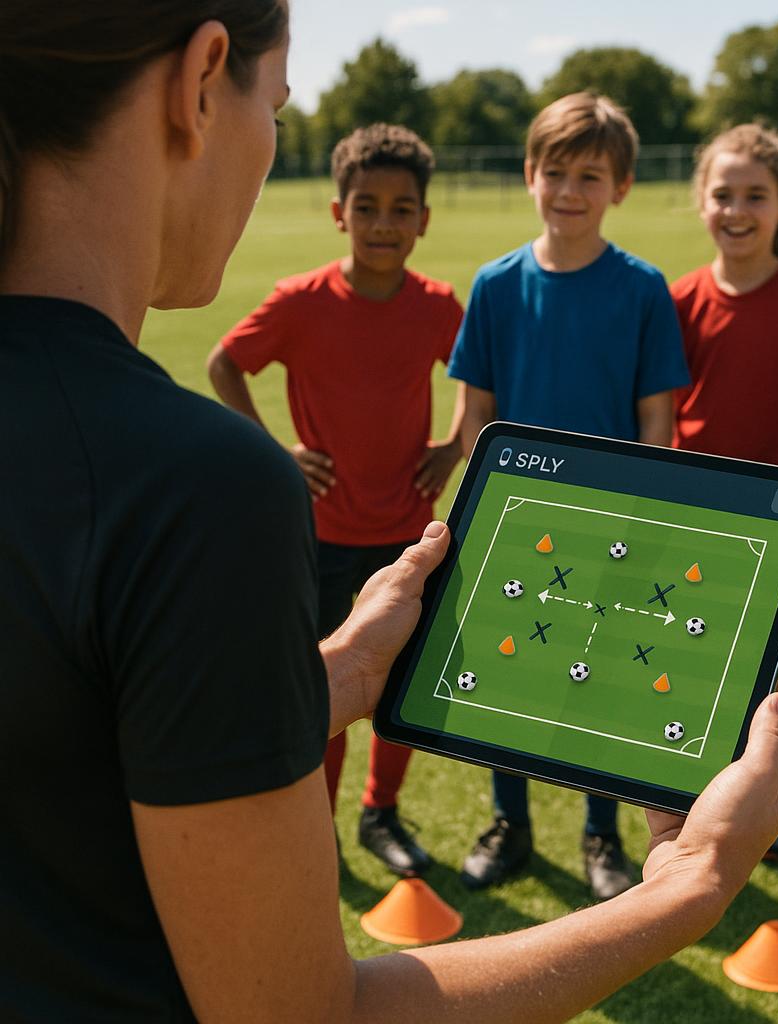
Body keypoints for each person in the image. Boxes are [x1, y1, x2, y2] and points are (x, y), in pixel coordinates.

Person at [0, 5, 778, 1018]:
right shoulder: (194, 486)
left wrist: (334, 674)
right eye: (278, 106)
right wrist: (691, 883)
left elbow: (68, 748)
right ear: (202, 80)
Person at [448, 92, 690, 901]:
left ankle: (602, 834)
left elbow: (658, 420)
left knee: (596, 676)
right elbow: (476, 415)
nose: (570, 190)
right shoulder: (495, 284)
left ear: (619, 187)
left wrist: (645, 516)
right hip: (514, 525)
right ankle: (510, 823)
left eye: (591, 175)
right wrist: (470, 517)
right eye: (556, 172)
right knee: (507, 676)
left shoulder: (642, 288)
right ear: (530, 175)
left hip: (613, 525)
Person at [207, 122, 464, 877]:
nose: (383, 223)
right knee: (322, 680)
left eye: (401, 208)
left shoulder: (439, 304)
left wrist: (452, 446)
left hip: (407, 534)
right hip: (317, 531)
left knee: (402, 680)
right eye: (367, 206)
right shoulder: (299, 302)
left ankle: (380, 814)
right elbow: (226, 363)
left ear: (423, 218)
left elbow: (479, 380)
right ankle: (313, 828)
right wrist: (274, 449)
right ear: (339, 212)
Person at [670, 124, 778, 862]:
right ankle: (690, 802)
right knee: (687, 656)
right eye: (722, 194)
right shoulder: (679, 298)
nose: (736, 210)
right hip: (691, 509)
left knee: (771, 668)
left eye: (754, 196)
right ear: (700, 202)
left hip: (776, 519)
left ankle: (767, 805)